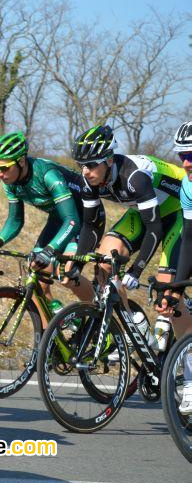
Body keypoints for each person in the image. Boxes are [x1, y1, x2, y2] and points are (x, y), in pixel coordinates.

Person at [71, 125, 185, 346]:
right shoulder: (89, 180)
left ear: (109, 160)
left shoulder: (135, 176)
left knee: (166, 290)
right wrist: (76, 263)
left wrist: (136, 269)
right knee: (103, 264)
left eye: (91, 165)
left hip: (180, 210)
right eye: (81, 166)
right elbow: (91, 226)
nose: (85, 171)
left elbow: (155, 229)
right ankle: (135, 324)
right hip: (143, 212)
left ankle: (173, 342)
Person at [0, 131, 98, 325]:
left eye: (5, 168)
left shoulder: (48, 174)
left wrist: (50, 250)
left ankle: (101, 319)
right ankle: (52, 338)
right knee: (34, 276)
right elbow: (15, 220)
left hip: (84, 219)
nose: (0, 174)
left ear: (21, 161)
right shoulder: (11, 182)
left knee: (67, 273)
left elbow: (72, 221)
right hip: (60, 218)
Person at [155, 121, 192, 414]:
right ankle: (191, 382)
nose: (186, 162)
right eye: (181, 155)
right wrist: (176, 286)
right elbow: (188, 238)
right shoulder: (188, 185)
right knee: (177, 302)